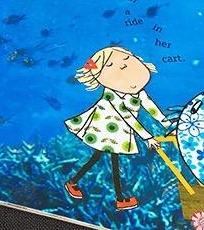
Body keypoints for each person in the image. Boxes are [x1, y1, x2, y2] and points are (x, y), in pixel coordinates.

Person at [64, 46, 172, 210]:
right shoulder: (111, 94)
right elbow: (127, 116)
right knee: (111, 161)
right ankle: (119, 199)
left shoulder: (138, 91)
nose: (124, 67)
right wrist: (147, 137)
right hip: (104, 130)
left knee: (99, 158)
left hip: (117, 131)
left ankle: (74, 183)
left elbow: (150, 106)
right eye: (112, 67)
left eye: (127, 60)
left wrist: (168, 124)